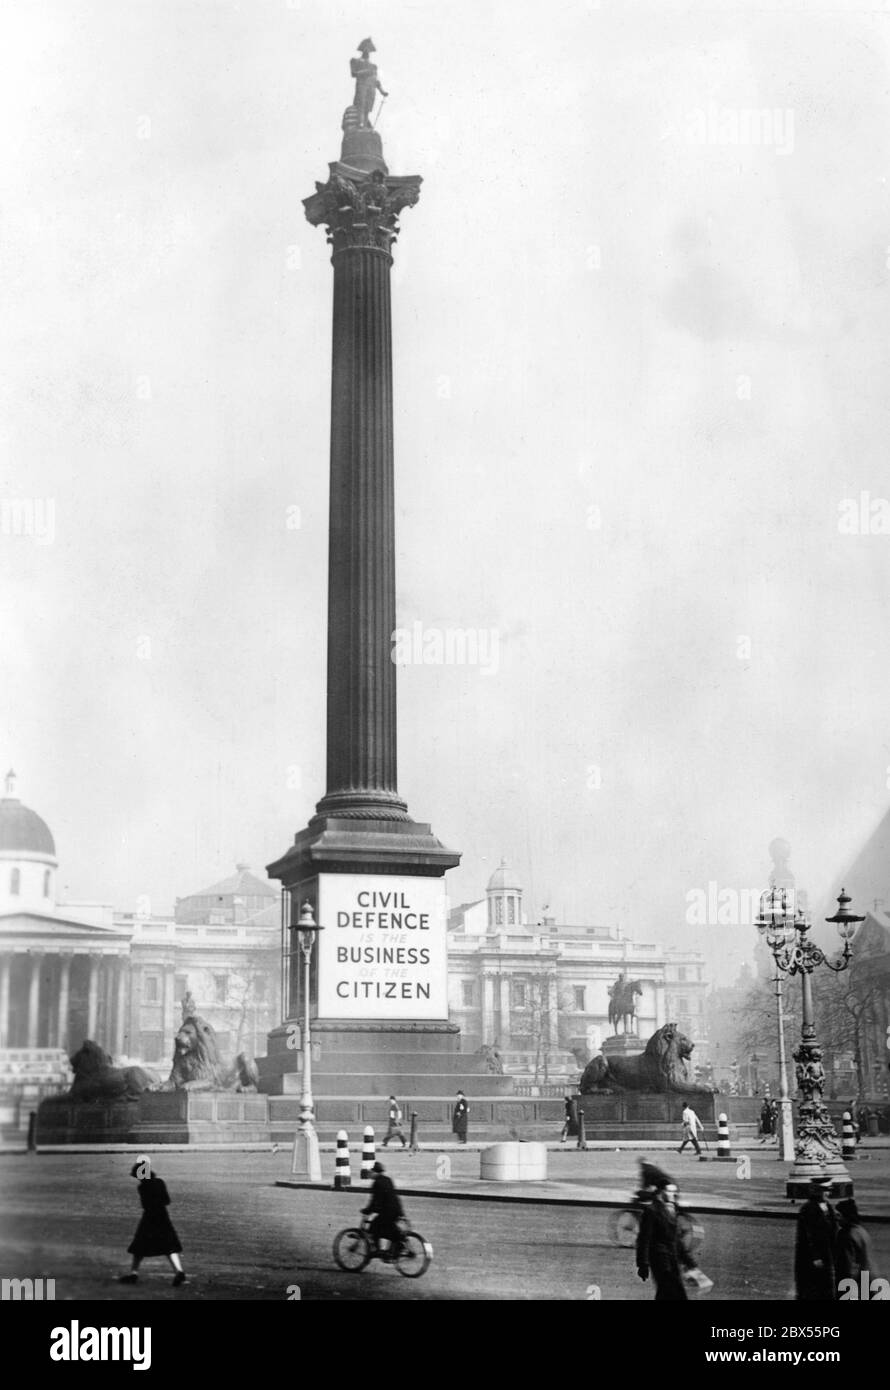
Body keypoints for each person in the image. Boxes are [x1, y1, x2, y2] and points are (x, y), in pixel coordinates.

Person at [120, 1157, 188, 1286]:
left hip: (149, 1219)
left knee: (139, 1247)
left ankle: (134, 1273)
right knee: (170, 1246)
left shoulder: (142, 1187)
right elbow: (167, 1201)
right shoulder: (160, 1182)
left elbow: (145, 1205)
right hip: (163, 1217)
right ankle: (179, 1271)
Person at [636, 1177, 696, 1300]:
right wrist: (643, 1265)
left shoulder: (671, 1209)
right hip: (659, 1261)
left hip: (672, 1259)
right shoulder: (651, 1211)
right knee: (675, 1292)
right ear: (660, 1192)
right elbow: (644, 1239)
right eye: (669, 1191)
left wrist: (688, 1261)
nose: (673, 1194)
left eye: (674, 1192)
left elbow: (676, 1240)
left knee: (666, 1294)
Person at [794, 1177, 837, 1300]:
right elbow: (808, 1236)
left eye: (828, 1190)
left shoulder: (828, 1207)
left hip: (827, 1254)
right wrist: (816, 1256)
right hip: (811, 1258)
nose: (827, 1193)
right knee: (812, 1289)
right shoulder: (808, 1208)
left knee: (826, 1287)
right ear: (817, 1191)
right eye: (824, 1190)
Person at [361, 1161, 405, 1259]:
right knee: (388, 1229)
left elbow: (375, 1201)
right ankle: (394, 1247)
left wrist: (367, 1210)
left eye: (371, 1172)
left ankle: (377, 1250)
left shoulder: (377, 1183)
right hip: (396, 1210)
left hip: (388, 1212)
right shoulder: (388, 1179)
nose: (370, 1174)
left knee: (373, 1227)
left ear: (375, 1172)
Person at [835, 1199, 874, 1284]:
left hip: (853, 1282)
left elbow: (847, 1262)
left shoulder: (846, 1234)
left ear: (846, 1216)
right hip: (868, 1277)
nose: (836, 1218)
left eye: (839, 1215)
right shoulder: (861, 1231)